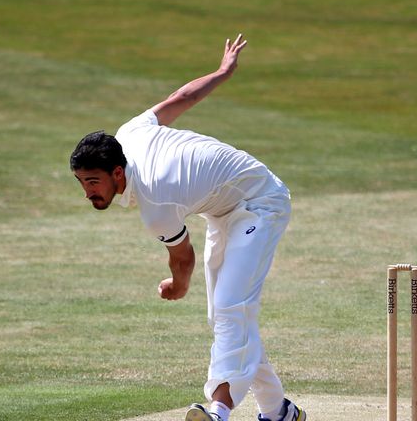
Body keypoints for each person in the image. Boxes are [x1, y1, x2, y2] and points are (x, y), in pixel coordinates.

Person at [69, 34, 305, 421]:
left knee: (231, 308)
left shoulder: (155, 202)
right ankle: (279, 411)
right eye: (81, 182)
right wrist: (222, 72)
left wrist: (178, 286)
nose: (87, 192)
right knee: (228, 317)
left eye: (92, 182)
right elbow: (182, 98)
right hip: (223, 210)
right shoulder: (129, 133)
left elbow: (183, 257)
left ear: (116, 172)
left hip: (260, 203)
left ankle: (219, 412)